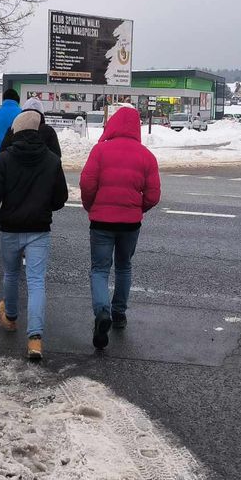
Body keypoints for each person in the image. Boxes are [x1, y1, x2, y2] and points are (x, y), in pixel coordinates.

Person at [0, 108, 69, 361]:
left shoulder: (5, 159)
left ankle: (12, 316)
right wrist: (42, 204)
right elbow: (61, 199)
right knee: (36, 281)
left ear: (16, 131)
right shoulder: (51, 160)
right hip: (39, 229)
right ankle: (35, 340)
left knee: (11, 273)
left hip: (10, 228)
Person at [80, 105, 161, 349]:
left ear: (112, 124)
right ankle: (119, 314)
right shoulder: (146, 156)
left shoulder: (100, 151)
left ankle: (102, 312)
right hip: (130, 223)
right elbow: (153, 195)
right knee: (124, 267)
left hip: (101, 221)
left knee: (100, 269)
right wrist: (138, 209)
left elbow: (86, 183)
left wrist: (91, 206)